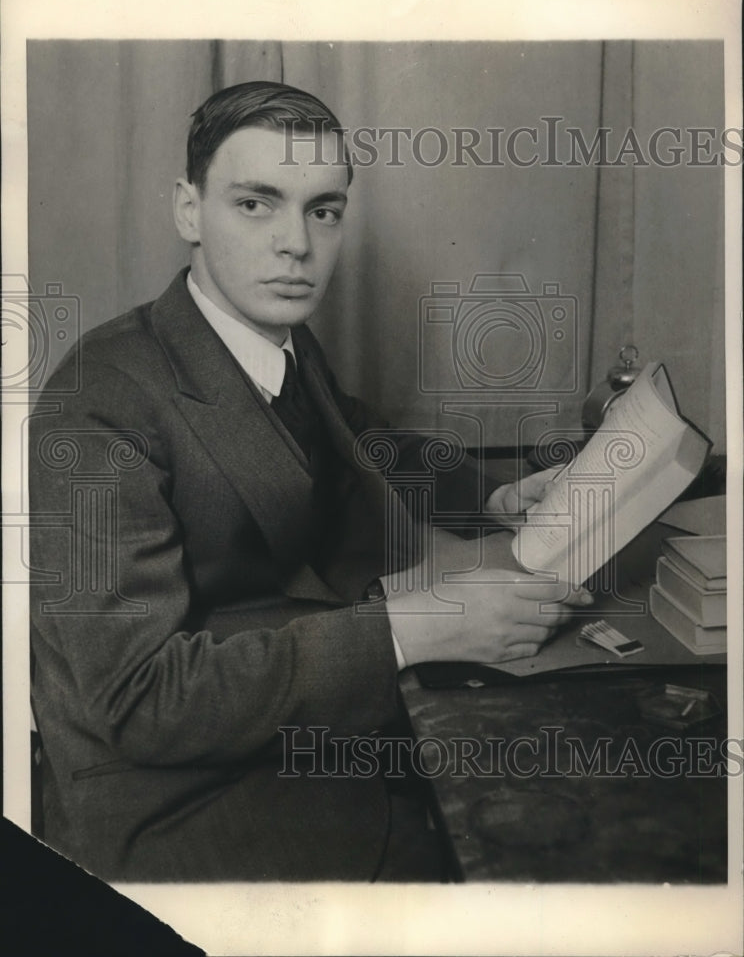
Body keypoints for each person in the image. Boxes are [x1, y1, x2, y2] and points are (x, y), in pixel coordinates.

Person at [29, 81, 588, 882]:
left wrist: (489, 494)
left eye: (322, 210)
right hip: (178, 796)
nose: (296, 243)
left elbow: (354, 435)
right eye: (256, 204)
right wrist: (411, 630)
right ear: (188, 211)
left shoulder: (269, 333)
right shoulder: (97, 404)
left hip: (297, 718)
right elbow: (136, 699)